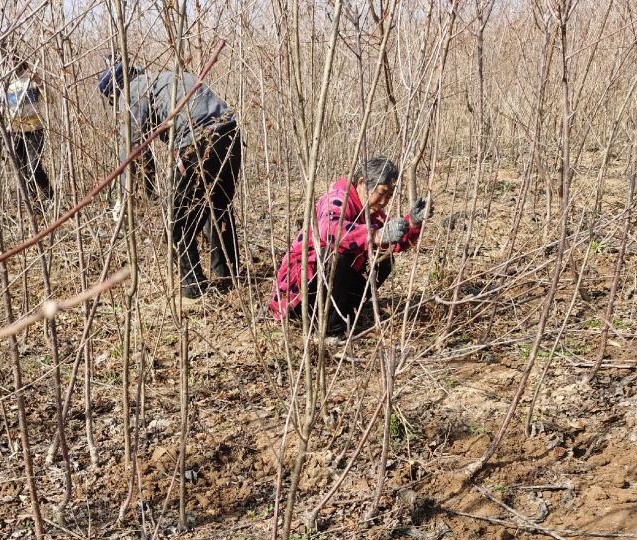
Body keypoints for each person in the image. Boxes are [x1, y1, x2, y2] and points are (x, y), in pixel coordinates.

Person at [99, 62, 241, 299]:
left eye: (113, 101)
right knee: (217, 208)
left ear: (114, 92)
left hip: (199, 142)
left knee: (178, 222)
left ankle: (193, 290)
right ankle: (228, 277)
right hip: (230, 134)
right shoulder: (166, 78)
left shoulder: (133, 91)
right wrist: (150, 188)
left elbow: (132, 149)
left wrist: (125, 195)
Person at [269, 157, 429, 336]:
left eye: (389, 196)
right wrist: (375, 235)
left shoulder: (371, 211)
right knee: (338, 256)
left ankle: (345, 312)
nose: (384, 201)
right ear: (362, 183)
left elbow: (393, 241)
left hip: (322, 291)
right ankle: (329, 329)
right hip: (298, 295)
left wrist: (413, 223)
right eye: (381, 192)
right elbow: (331, 229)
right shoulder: (338, 198)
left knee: (384, 260)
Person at [0, 60, 53, 201]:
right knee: (22, 170)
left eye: (15, 62)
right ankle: (33, 201)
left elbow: (51, 99)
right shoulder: (2, 84)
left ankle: (49, 197)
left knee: (33, 167)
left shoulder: (31, 80)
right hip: (15, 131)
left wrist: (39, 82)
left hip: (35, 129)